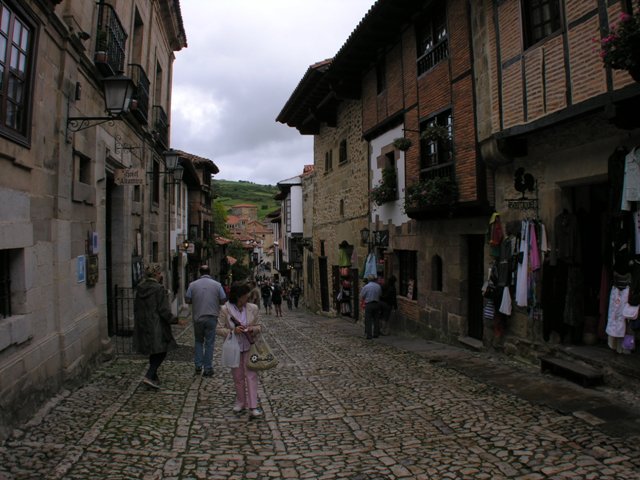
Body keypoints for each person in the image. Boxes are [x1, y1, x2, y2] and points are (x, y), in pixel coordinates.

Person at [217, 281, 264, 418]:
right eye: (245, 295)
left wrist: (251, 329)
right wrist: (233, 331)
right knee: (238, 376)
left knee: (251, 375)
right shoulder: (225, 310)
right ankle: (241, 402)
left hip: (249, 346)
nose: (248, 297)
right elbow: (218, 329)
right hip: (234, 347)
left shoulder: (253, 308)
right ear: (238, 296)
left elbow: (259, 326)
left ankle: (253, 406)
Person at [133, 263, 177, 389]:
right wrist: (174, 320)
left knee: (154, 350)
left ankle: (153, 377)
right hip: (156, 324)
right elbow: (163, 309)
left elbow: (136, 307)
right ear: (157, 274)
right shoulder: (158, 289)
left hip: (143, 323)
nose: (161, 275)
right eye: (159, 273)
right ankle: (149, 375)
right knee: (161, 351)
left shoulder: (140, 288)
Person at [185, 265, 227, 377]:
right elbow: (223, 299)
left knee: (198, 341)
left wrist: (196, 300)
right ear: (210, 272)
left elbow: (187, 299)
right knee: (209, 343)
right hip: (211, 317)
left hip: (198, 317)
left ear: (200, 272)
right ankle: (208, 368)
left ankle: (198, 365)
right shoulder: (217, 285)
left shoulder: (192, 285)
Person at [359, 274, 382, 339]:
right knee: (376, 319)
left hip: (369, 304)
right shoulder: (378, 286)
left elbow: (362, 295)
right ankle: (376, 334)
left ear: (368, 279)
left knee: (368, 320)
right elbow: (380, 294)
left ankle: (369, 335)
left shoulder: (366, 287)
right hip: (376, 303)